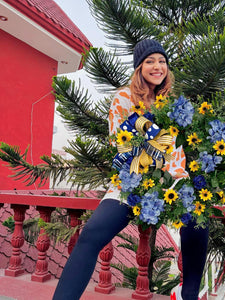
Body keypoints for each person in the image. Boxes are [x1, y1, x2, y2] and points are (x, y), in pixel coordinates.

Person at [52, 39, 209, 300]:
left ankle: (188, 294)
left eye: (162, 61)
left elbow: (179, 145)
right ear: (139, 67)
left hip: (173, 179)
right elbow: (121, 142)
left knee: (198, 221)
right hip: (133, 179)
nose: (158, 66)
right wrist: (160, 141)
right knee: (91, 235)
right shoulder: (124, 97)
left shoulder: (173, 102)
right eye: (150, 61)